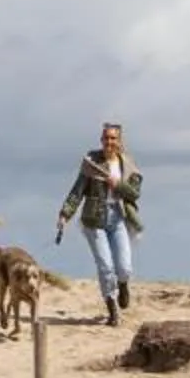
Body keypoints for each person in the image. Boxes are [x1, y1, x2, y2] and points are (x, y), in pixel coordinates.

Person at [55, 121, 145, 326]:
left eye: (113, 138)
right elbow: (77, 192)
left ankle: (123, 285)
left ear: (119, 141)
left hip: (118, 217)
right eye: (106, 138)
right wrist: (64, 214)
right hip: (94, 220)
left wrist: (118, 184)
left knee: (124, 267)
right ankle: (112, 309)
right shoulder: (91, 163)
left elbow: (135, 194)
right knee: (105, 266)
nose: (109, 142)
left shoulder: (127, 164)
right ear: (101, 139)